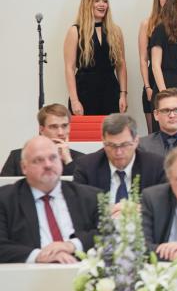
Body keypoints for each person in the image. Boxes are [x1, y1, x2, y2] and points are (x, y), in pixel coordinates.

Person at [0, 136, 99, 264]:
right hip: (26, 277)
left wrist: (72, 245)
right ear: (24, 167)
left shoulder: (89, 197)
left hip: (80, 273)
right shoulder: (5, 200)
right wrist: (38, 256)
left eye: (53, 158)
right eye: (38, 160)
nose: (48, 165)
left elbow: (109, 234)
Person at [63, 0, 127, 115]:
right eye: (97, 0)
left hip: (111, 92)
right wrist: (75, 100)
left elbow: (121, 65)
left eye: (104, 1)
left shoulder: (115, 31)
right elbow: (69, 68)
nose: (102, 4)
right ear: (87, 4)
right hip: (84, 94)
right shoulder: (75, 31)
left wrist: (123, 95)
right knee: (87, 133)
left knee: (111, 134)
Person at [73, 114, 166, 202]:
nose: (118, 152)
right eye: (112, 145)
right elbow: (78, 208)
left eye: (124, 145)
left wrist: (143, 210)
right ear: (103, 142)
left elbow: (163, 207)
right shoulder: (87, 167)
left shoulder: (155, 167)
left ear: (136, 141)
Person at [2, 104, 84, 176]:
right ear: (41, 129)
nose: (60, 133)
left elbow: (83, 190)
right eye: (53, 127)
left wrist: (68, 161)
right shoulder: (17, 157)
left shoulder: (82, 159)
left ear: (69, 127)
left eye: (64, 126)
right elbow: (4, 189)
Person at [138, 0, 174, 132]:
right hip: (152, 83)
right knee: (154, 133)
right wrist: (147, 86)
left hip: (174, 80)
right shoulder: (148, 23)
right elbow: (143, 59)